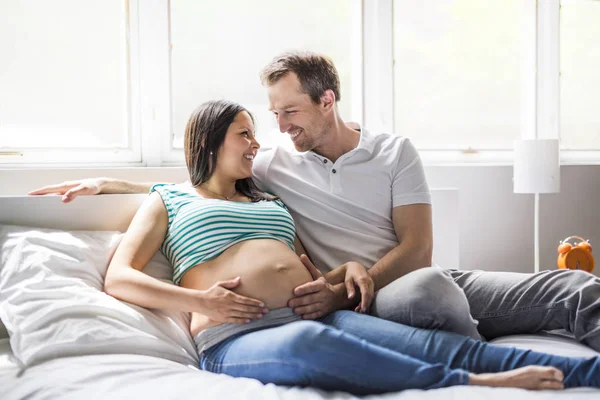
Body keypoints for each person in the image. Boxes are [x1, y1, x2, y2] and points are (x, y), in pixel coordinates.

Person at [30, 52, 600, 352]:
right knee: (433, 293)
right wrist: (107, 184)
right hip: (356, 299)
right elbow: (196, 181)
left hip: (399, 279)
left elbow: (420, 247)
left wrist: (358, 278)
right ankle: (482, 354)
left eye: (289, 112)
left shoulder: (393, 151)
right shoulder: (272, 162)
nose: (277, 127)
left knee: (572, 289)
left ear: (327, 101)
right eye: (270, 115)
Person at [98, 98, 600, 393]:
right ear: (208, 142)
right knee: (312, 346)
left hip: (317, 311)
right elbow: (120, 277)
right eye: (244, 135)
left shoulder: (269, 197)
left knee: (436, 343)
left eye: (256, 135)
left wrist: (352, 270)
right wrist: (202, 302)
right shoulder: (167, 200)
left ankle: (586, 370)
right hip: (238, 335)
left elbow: (311, 269)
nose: (256, 144)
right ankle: (467, 386)